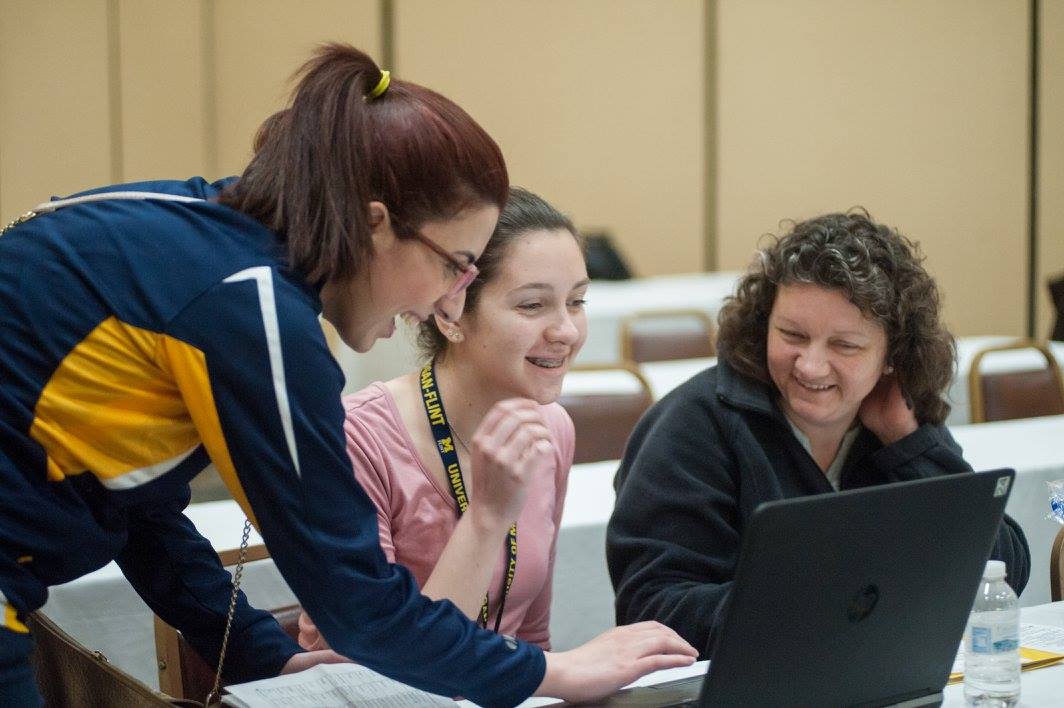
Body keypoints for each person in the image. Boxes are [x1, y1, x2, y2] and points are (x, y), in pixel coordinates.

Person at [0, 44, 694, 706]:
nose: (445, 298)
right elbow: (357, 603)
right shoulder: (253, 307)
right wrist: (554, 671)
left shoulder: (203, 231)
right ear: (375, 225)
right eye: (455, 264)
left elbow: (136, 508)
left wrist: (258, 653)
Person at [606, 210, 1031, 656]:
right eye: (791, 334)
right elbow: (650, 610)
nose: (810, 366)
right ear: (762, 323)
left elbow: (1003, 570)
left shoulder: (896, 421)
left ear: (893, 356)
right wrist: (833, 605)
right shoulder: (692, 425)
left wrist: (909, 445)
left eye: (845, 345)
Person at [299, 187, 587, 651]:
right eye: (532, 305)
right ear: (450, 315)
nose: (567, 331)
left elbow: (532, 639)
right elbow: (364, 677)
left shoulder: (551, 428)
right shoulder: (356, 439)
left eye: (577, 301)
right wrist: (486, 517)